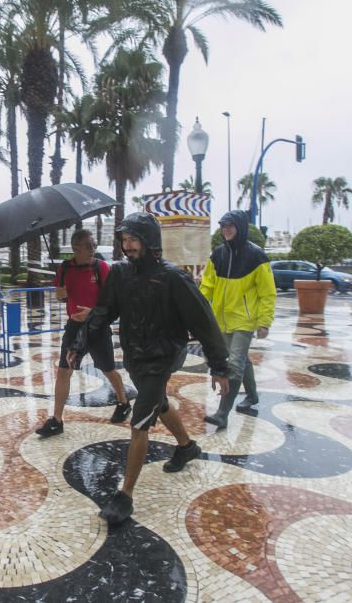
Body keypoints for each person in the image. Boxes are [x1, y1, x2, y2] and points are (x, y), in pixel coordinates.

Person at [69, 212, 229, 525]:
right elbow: (102, 312)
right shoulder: (119, 274)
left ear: (149, 240)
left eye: (133, 239)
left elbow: (204, 322)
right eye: (124, 240)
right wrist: (79, 343)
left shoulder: (173, 277)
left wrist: (219, 365)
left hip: (166, 356)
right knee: (158, 402)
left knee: (140, 420)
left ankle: (124, 496)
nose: (127, 246)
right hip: (136, 356)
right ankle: (186, 447)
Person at [35, 229, 131, 437]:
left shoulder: (101, 267)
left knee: (107, 369)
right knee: (63, 370)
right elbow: (63, 298)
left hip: (97, 328)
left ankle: (123, 402)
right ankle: (56, 420)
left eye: (93, 244)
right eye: (88, 245)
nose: (92, 249)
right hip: (73, 329)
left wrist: (93, 313)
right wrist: (60, 296)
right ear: (75, 248)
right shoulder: (64, 269)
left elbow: (112, 302)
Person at [200, 210, 277, 430]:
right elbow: (207, 286)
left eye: (230, 226)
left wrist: (264, 321)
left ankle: (223, 413)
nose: (226, 230)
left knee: (233, 365)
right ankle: (252, 396)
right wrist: (199, 311)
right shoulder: (218, 254)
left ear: (240, 228)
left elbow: (267, 292)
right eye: (223, 227)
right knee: (241, 359)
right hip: (220, 321)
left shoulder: (256, 255)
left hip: (244, 321)